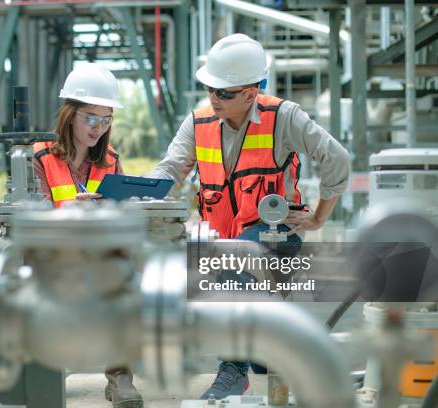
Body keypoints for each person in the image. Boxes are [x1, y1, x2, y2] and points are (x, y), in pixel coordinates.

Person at [146, 34, 350, 399]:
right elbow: (171, 167)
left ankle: (233, 371)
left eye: (224, 92)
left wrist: (319, 218)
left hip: (274, 237)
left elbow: (337, 159)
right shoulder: (198, 122)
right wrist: (135, 190)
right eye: (210, 88)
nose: (213, 98)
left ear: (252, 92)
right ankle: (267, 352)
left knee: (233, 270)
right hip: (224, 239)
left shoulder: (284, 118)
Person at [33, 63, 144, 408]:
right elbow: (33, 216)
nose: (98, 127)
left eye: (106, 119)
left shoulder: (110, 159)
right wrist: (71, 211)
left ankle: (120, 378)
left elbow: (124, 211)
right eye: (90, 118)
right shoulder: (39, 156)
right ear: (69, 115)